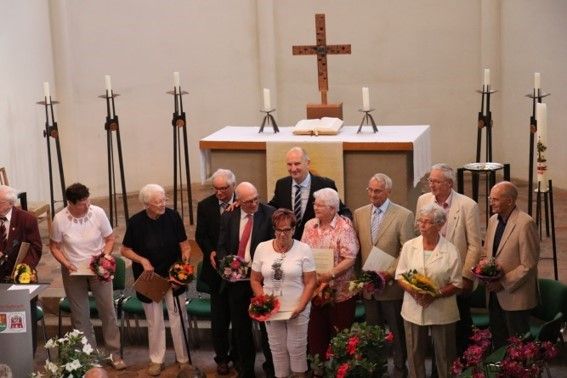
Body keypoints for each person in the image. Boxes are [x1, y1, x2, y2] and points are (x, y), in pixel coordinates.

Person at [49, 183, 126, 370]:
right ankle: (88, 355)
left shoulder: (97, 212)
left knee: (107, 310)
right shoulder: (59, 219)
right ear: (71, 203)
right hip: (74, 270)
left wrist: (105, 256)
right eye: (82, 203)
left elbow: (110, 238)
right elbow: (54, 246)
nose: (87, 205)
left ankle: (113, 353)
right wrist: (66, 263)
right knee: (80, 315)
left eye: (87, 200)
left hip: (98, 267)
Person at [120, 184, 191, 376]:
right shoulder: (135, 222)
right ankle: (156, 359)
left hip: (172, 275)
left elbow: (185, 246)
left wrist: (182, 267)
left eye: (164, 199)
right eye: (158, 201)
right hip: (150, 277)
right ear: (147, 204)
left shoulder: (173, 216)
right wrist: (143, 260)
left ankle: (183, 358)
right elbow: (124, 250)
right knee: (155, 320)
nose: (163, 204)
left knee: (178, 316)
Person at [415, 163, 481, 355]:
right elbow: (418, 233)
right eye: (430, 181)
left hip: (455, 277)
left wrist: (466, 277)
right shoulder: (423, 200)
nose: (432, 185)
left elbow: (475, 245)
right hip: (430, 275)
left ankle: (461, 365)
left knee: (459, 328)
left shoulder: (468, 205)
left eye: (436, 181)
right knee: (435, 327)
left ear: (450, 183)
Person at [353, 174, 414, 378]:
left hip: (391, 286)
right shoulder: (359, 214)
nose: (372, 194)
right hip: (369, 287)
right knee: (373, 333)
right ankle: (375, 368)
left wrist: (387, 274)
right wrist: (360, 280)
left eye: (377, 191)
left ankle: (399, 368)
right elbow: (358, 249)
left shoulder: (403, 215)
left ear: (388, 191)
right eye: (369, 190)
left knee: (398, 332)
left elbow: (407, 250)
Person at [396, 204, 462, 378]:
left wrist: (435, 294)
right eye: (421, 221)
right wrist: (414, 292)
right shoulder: (410, 246)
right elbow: (400, 275)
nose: (422, 226)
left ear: (439, 225)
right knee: (415, 354)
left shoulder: (450, 250)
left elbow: (457, 283)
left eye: (427, 222)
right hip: (413, 306)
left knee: (445, 355)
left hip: (443, 309)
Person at [216, 182, 275, 378]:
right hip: (237, 281)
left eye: (256, 198)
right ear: (238, 201)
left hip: (261, 280)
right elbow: (222, 245)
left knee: (267, 328)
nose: (254, 204)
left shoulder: (269, 214)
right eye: (248, 201)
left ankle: (271, 368)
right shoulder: (229, 215)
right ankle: (246, 369)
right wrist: (229, 265)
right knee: (241, 329)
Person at [251, 209, 317, 378]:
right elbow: (255, 280)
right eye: (278, 230)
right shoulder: (262, 248)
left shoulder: (304, 249)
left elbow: (311, 282)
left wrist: (301, 307)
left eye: (286, 230)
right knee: (277, 349)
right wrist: (263, 301)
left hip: (297, 307)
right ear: (274, 229)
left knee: (296, 348)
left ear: (294, 229)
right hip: (271, 309)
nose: (282, 234)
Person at [301, 188, 359, 373]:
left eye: (320, 205)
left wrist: (330, 275)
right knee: (316, 337)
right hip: (314, 292)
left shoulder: (345, 227)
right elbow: (303, 252)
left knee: (339, 338)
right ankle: (318, 371)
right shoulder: (310, 225)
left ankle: (339, 372)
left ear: (333, 208)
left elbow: (350, 257)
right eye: (314, 204)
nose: (315, 207)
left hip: (339, 294)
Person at [485, 181, 539, 349]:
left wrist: (501, 282)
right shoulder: (493, 220)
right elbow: (488, 252)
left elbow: (528, 264)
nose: (491, 202)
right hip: (494, 295)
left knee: (518, 348)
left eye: (495, 199)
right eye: (490, 198)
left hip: (515, 296)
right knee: (499, 343)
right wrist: (484, 269)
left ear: (509, 201)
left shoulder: (525, 224)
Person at [195, 168, 237, 375]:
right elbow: (200, 235)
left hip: (240, 273)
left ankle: (238, 356)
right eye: (216, 189)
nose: (219, 193)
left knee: (239, 318)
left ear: (233, 186)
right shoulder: (205, 205)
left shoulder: (243, 202)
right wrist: (210, 251)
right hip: (215, 272)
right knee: (219, 320)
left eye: (224, 189)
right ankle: (221, 358)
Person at [268, 146, 351, 240]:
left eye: (297, 164)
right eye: (289, 164)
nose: (293, 169)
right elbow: (273, 207)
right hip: (289, 243)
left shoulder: (325, 184)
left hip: (316, 244)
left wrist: (344, 223)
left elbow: (341, 210)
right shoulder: (282, 184)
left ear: (307, 163)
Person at [0, 185, 42, 353]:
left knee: (24, 320)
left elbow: (36, 248)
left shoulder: (27, 220)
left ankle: (26, 355)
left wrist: (23, 269)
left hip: (20, 279)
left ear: (10, 203)